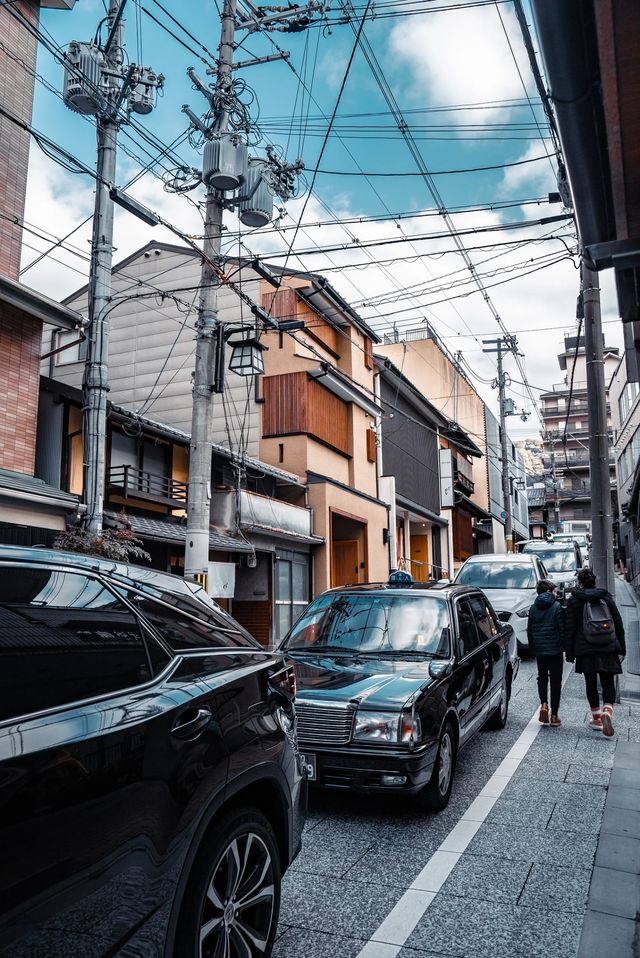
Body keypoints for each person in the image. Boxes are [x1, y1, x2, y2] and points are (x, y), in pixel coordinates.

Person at [565, 567, 626, 736]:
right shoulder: (605, 596)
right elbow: (618, 622)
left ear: (580, 583)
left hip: (586, 649)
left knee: (590, 683)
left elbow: (569, 628)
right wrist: (622, 647)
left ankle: (597, 718)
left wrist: (569, 653)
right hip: (608, 645)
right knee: (608, 681)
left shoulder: (574, 600)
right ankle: (608, 710)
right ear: (594, 581)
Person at [527, 579, 565, 727]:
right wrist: (565, 648)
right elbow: (562, 630)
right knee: (556, 682)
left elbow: (530, 631)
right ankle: (554, 716)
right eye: (554, 591)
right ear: (549, 591)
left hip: (540, 651)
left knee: (542, 677)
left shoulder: (533, 608)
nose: (556, 593)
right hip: (555, 651)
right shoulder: (557, 607)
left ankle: (544, 704)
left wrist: (533, 649)